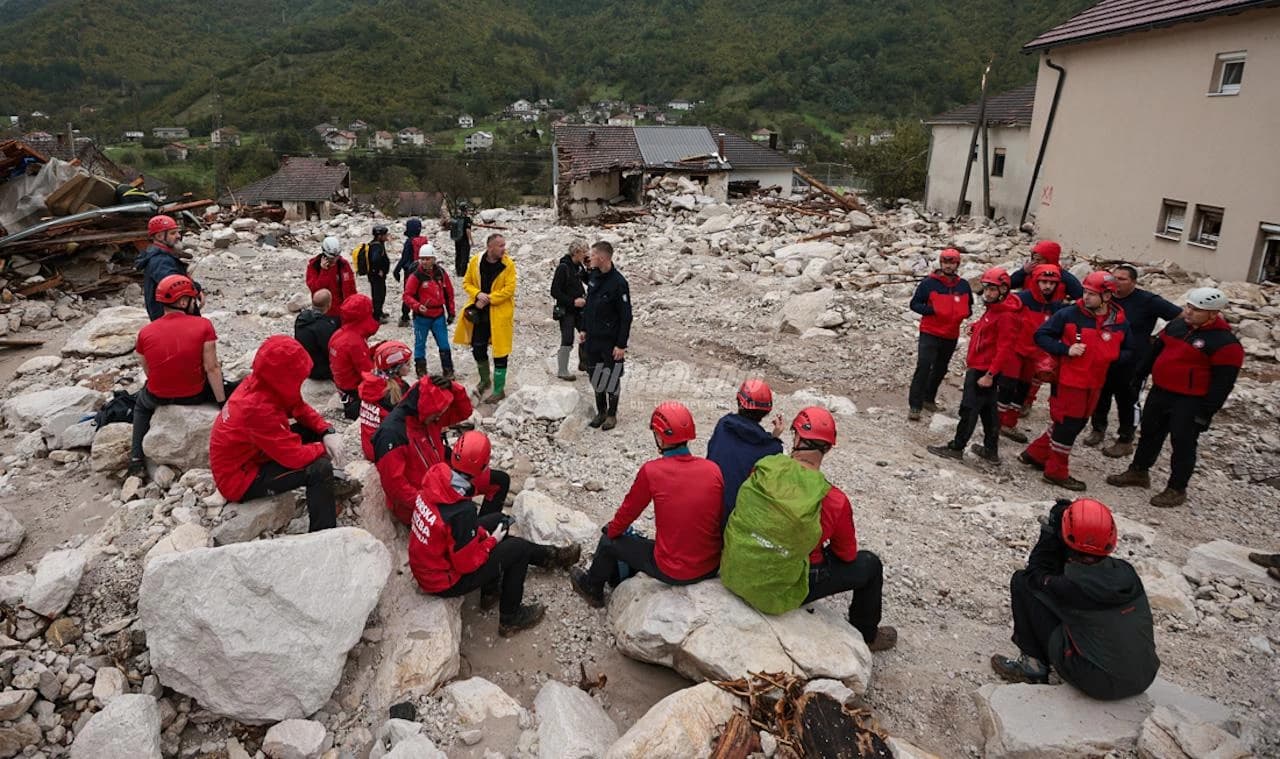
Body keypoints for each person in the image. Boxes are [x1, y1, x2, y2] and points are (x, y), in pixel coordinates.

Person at [721, 407, 897, 651]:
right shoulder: (834, 499)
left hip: (739, 568)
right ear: (828, 448)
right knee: (870, 564)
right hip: (786, 581)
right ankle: (867, 635)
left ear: (796, 437)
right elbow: (846, 554)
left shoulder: (765, 466)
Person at [409, 431, 579, 636]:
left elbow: (451, 534)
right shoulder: (462, 512)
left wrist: (480, 534)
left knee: (498, 520)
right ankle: (511, 618)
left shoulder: (437, 476)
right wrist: (490, 541)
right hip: (444, 580)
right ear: (482, 468)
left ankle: (502, 585)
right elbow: (466, 563)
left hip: (429, 564)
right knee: (519, 550)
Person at [991, 498, 1159, 700]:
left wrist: (1052, 531)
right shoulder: (1126, 573)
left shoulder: (1071, 586)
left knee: (1022, 582)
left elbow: (1035, 574)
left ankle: (1032, 667)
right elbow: (1075, 566)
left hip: (1100, 684)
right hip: (1143, 677)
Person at [569, 402, 724, 607]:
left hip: (674, 570)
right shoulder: (713, 469)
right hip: (711, 565)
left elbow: (627, 513)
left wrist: (613, 531)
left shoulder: (652, 471)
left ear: (660, 437)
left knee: (608, 543)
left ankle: (592, 588)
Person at [1106, 287, 1244, 508]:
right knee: (1149, 433)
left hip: (1191, 400)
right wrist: (1139, 374)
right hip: (1161, 391)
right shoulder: (1177, 326)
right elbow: (1156, 351)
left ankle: (1176, 488)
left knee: (1183, 444)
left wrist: (1206, 412)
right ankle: (1138, 472)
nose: (1188, 312)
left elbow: (1223, 383)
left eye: (1196, 309)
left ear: (1213, 313)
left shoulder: (1225, 343)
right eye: (1188, 306)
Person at [209, 335, 346, 532]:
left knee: (311, 432)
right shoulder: (257, 408)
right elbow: (293, 457)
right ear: (285, 378)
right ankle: (323, 532)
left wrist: (326, 430)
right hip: (240, 480)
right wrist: (323, 446)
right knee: (319, 468)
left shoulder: (261, 383)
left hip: (249, 458)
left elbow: (297, 407)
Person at [1020, 271, 1133, 491]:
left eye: (1092, 293)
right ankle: (1056, 471)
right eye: (1085, 292)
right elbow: (1041, 335)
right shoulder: (1069, 314)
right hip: (1068, 380)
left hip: (1095, 382)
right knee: (1068, 424)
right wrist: (1065, 349)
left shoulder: (1119, 321)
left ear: (1107, 297)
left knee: (1077, 422)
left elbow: (1129, 349)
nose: (1086, 297)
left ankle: (1035, 453)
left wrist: (1111, 355)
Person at [129, 275, 232, 479]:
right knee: (232, 387)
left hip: (157, 395)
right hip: (193, 394)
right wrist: (222, 403)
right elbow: (211, 368)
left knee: (141, 406)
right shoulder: (203, 325)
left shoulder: (145, 332)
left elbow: (148, 369)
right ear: (183, 302)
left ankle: (136, 460)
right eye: (193, 299)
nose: (196, 303)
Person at [373, 375, 508, 525]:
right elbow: (397, 490)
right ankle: (474, 537)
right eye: (437, 415)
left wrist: (453, 388)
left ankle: (476, 533)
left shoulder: (426, 416)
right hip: (424, 504)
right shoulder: (392, 435)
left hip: (443, 481)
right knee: (479, 515)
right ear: (425, 408)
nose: (440, 418)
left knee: (500, 481)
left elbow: (464, 411)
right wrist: (435, 503)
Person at [1082, 265, 1182, 458]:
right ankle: (1098, 429)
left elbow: (1179, 316)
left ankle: (1125, 439)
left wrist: (1160, 337)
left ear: (1134, 282)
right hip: (1106, 357)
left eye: (1122, 279)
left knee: (1128, 400)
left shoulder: (1148, 301)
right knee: (1100, 393)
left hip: (1134, 362)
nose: (1116, 282)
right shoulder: (1104, 298)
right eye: (1114, 278)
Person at [927, 267, 1021, 463]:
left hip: (983, 370)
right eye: (986, 288)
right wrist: (977, 328)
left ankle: (957, 446)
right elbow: (992, 331)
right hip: (984, 368)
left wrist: (989, 374)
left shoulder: (1005, 315)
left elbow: (1004, 348)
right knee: (988, 411)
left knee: (969, 409)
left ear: (1003, 290)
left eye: (992, 289)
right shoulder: (995, 310)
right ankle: (990, 450)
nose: (987, 293)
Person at [998, 264, 1069, 442]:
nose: (1047, 286)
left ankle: (1009, 423)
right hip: (1015, 351)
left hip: (1035, 355)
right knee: (1006, 387)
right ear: (1035, 281)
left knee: (1023, 389)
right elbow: (998, 316)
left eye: (1052, 283)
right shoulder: (1020, 299)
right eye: (1044, 281)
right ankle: (994, 423)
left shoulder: (1056, 308)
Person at [706, 379, 784, 525]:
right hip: (736, 522)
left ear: (739, 401)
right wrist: (774, 438)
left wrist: (772, 438)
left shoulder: (724, 426)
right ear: (767, 411)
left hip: (708, 511)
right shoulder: (773, 449)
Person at [907, 248, 973, 421]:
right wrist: (934, 310)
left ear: (957, 264)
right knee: (924, 366)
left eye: (952, 263)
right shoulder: (929, 284)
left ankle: (928, 398)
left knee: (940, 368)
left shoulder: (963, 285)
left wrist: (962, 313)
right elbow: (915, 304)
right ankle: (915, 405)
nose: (948, 266)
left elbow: (969, 307)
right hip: (930, 331)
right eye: (945, 262)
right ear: (941, 263)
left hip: (950, 334)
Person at [454, 233, 516, 403]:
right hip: (480, 313)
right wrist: (477, 294)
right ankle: (485, 380)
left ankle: (498, 389)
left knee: (500, 352)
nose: (504, 248)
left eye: (504, 244)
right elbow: (467, 283)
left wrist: (488, 298)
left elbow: (509, 289)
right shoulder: (476, 261)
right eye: (500, 245)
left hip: (499, 313)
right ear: (490, 247)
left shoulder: (508, 264)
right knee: (478, 347)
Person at [581, 241, 632, 430]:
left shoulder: (619, 283)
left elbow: (626, 317)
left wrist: (621, 345)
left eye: (592, 255)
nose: (589, 258)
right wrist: (584, 328)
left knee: (611, 378)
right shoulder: (594, 276)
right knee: (595, 375)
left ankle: (611, 414)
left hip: (610, 341)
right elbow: (589, 306)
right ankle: (600, 411)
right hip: (593, 338)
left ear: (602, 258)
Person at [402, 243, 456, 379]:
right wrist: (416, 306)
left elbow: (449, 292)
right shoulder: (416, 276)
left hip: (438, 314)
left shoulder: (441, 274)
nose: (425, 261)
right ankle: (421, 372)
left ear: (433, 259)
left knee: (444, 343)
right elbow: (407, 295)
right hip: (421, 317)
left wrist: (451, 312)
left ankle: (448, 370)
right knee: (420, 344)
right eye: (422, 259)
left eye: (427, 258)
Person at [137, 215, 202, 321]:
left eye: (177, 232)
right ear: (159, 236)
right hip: (172, 319)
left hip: (171, 317)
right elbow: (176, 286)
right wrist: (196, 289)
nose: (178, 236)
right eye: (172, 233)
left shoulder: (162, 256)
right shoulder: (160, 260)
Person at [358, 341, 412, 462]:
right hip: (387, 450)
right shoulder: (395, 392)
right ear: (396, 368)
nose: (410, 366)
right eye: (407, 364)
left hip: (370, 445)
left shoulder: (372, 385)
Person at [328, 293, 380, 421]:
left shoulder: (338, 334)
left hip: (342, 387)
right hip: (355, 391)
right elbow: (368, 373)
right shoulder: (355, 342)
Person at [550, 240, 589, 381]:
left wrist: (589, 267)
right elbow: (554, 291)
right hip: (567, 310)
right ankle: (562, 370)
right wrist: (573, 301)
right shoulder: (563, 268)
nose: (586, 255)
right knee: (567, 339)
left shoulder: (578, 266)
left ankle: (584, 363)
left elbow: (588, 280)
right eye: (584, 253)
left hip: (579, 309)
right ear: (577, 252)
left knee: (588, 332)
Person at [1010, 240, 1084, 300]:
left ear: (1050, 260)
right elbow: (1008, 285)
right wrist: (1022, 272)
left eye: (1039, 260)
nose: (1034, 263)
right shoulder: (1028, 271)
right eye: (1033, 259)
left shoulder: (1064, 277)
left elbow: (1080, 297)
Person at [305, 236, 358, 317]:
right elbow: (316, 290)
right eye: (332, 257)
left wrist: (354, 304)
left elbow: (351, 286)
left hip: (344, 310)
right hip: (325, 313)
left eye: (337, 256)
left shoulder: (343, 264)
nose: (335, 259)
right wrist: (324, 271)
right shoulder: (314, 266)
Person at [394, 217, 429, 326]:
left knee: (408, 293)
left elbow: (404, 258)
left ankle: (405, 317)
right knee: (420, 292)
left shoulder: (409, 242)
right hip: (422, 271)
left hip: (409, 272)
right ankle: (418, 314)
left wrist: (397, 270)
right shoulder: (424, 242)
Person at [366, 225, 392, 323]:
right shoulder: (377, 246)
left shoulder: (375, 244)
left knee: (380, 293)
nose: (386, 236)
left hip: (375, 275)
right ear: (379, 236)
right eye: (385, 235)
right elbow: (375, 259)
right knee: (378, 295)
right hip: (376, 276)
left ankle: (379, 312)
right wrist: (379, 271)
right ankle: (376, 317)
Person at [449, 202, 474, 278]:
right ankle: (463, 273)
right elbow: (467, 230)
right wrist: (471, 240)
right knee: (465, 256)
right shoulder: (467, 219)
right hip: (464, 240)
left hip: (457, 239)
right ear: (466, 210)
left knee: (458, 255)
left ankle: (458, 271)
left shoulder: (456, 217)